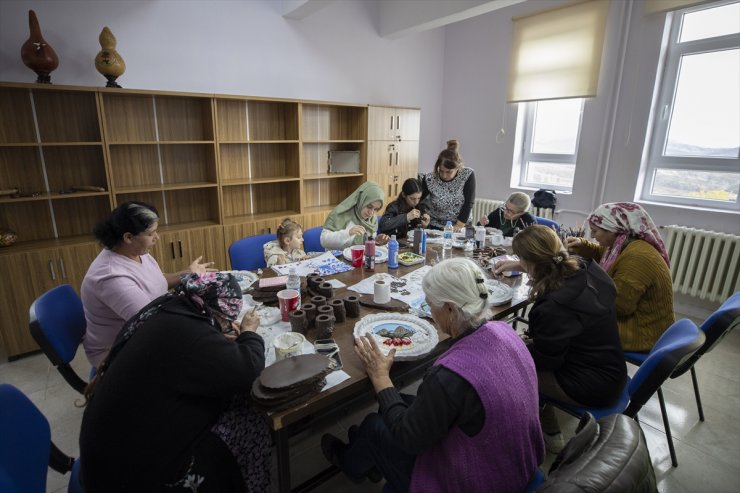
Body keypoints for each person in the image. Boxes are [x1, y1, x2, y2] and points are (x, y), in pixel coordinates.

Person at [322, 257, 544, 493]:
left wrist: (380, 378)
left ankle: (350, 463)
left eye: (430, 306)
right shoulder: (504, 331)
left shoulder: (450, 375)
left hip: (480, 481)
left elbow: (409, 437)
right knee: (400, 405)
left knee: (373, 425)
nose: (430, 312)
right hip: (516, 462)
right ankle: (372, 456)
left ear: (449, 308)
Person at [79, 272, 270, 493]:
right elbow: (248, 370)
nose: (228, 327)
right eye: (227, 322)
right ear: (216, 314)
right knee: (249, 417)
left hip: (106, 454)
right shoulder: (191, 335)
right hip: (132, 477)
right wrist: (249, 333)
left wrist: (215, 335)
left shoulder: (171, 307)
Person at [494, 225, 628, 452]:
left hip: (589, 385)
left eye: (521, 258)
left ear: (532, 262)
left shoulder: (554, 305)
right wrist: (524, 264)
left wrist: (513, 344)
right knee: (521, 349)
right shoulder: (587, 268)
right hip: (611, 368)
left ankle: (540, 435)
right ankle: (546, 427)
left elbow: (547, 361)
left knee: (504, 367)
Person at [81, 201, 216, 367]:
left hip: (145, 329)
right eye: (151, 234)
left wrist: (187, 273)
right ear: (128, 237)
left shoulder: (135, 252)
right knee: (205, 356)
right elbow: (152, 324)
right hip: (116, 352)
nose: (157, 238)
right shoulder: (111, 277)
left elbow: (155, 282)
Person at [564, 202, 674, 352]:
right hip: (638, 319)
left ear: (613, 230)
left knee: (569, 321)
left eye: (595, 231)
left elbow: (619, 307)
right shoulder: (623, 244)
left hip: (641, 331)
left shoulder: (637, 257)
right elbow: (601, 253)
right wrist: (581, 245)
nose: (592, 236)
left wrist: (579, 290)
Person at [419, 139, 476, 231]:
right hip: (436, 226)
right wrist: (423, 214)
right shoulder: (429, 178)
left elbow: (469, 203)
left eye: (449, 172)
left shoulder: (467, 175)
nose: (444, 175)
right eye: (441, 170)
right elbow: (418, 200)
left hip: (460, 226)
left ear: (458, 167)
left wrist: (458, 226)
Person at [320, 181, 390, 249]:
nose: (371, 213)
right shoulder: (340, 213)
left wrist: (376, 241)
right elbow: (324, 241)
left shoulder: (372, 218)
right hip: (337, 258)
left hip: (359, 258)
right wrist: (348, 233)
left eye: (376, 209)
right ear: (361, 200)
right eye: (369, 206)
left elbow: (365, 243)